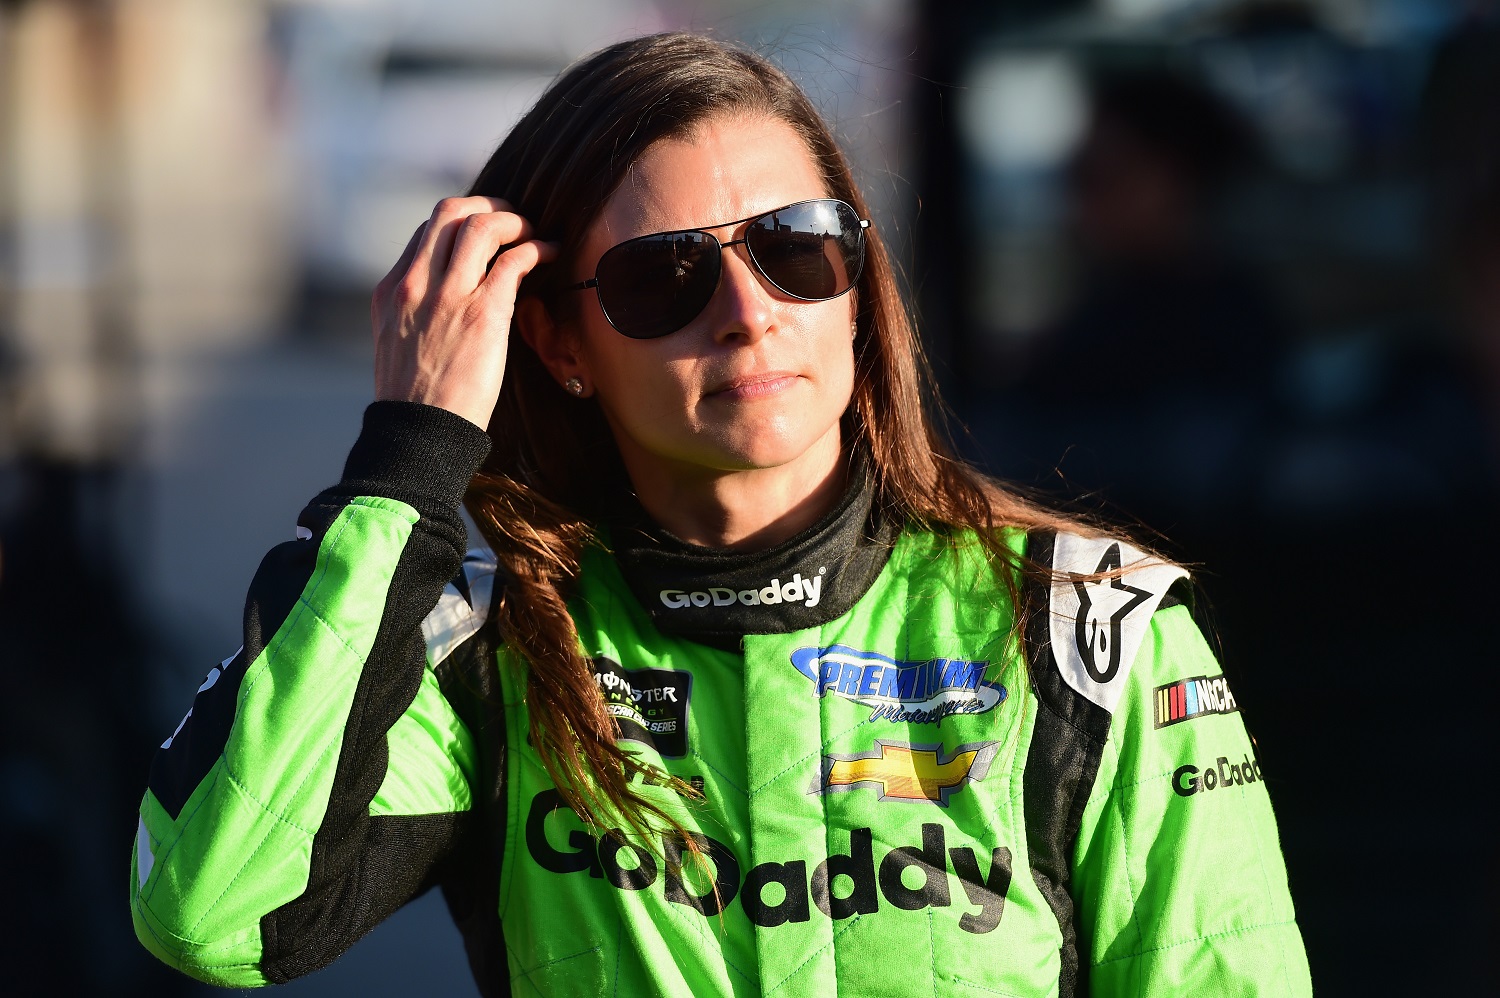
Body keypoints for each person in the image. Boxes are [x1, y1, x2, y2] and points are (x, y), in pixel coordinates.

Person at [129, 32, 1311, 997]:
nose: (748, 311)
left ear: (858, 289)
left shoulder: (1088, 631)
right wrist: (408, 463)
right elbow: (213, 910)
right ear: (559, 342)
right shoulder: (487, 654)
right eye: (664, 276)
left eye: (798, 249)